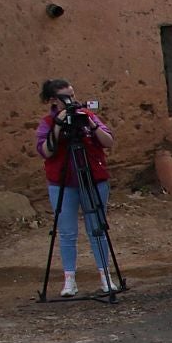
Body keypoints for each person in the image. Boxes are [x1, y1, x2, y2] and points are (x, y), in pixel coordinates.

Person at [35, 77, 117, 297]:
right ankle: (69, 280)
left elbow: (108, 141)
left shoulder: (86, 116)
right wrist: (58, 125)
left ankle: (105, 276)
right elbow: (45, 151)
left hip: (93, 179)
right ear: (53, 100)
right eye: (66, 97)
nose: (72, 100)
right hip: (62, 183)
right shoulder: (48, 122)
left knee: (97, 228)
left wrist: (90, 123)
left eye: (73, 95)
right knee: (67, 232)